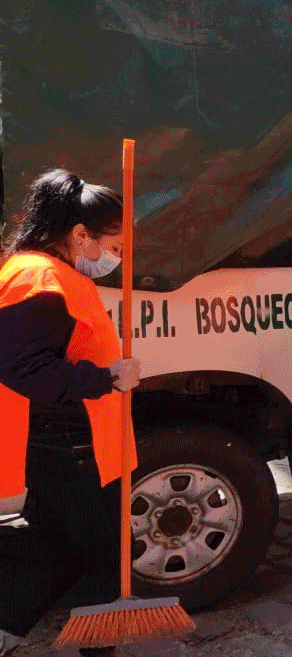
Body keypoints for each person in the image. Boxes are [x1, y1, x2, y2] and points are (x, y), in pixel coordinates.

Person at [0, 170, 142, 657]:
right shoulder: (40, 278)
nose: (118, 258)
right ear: (80, 235)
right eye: (116, 246)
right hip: (72, 453)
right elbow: (21, 367)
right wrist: (105, 379)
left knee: (54, 554)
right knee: (103, 562)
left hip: (72, 449)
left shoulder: (45, 273)